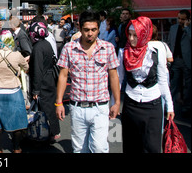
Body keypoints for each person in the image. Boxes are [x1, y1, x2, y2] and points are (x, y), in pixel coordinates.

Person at [55, 10, 121, 153]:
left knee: (99, 148)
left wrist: (117, 102)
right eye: (86, 30)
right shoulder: (69, 48)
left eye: (93, 30)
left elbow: (114, 76)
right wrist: (59, 102)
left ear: (98, 29)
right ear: (79, 28)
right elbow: (63, 76)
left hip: (100, 107)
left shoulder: (107, 48)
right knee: (79, 149)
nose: (90, 33)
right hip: (77, 107)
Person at [118, 16, 174, 153]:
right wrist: (115, 102)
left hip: (153, 104)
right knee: (132, 146)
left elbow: (162, 79)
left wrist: (169, 106)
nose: (131, 39)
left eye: (135, 35)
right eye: (129, 35)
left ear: (144, 35)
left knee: (152, 147)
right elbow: (119, 79)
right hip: (131, 103)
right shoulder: (123, 52)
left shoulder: (157, 49)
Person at [0, 30, 29, 153]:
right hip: (14, 91)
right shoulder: (17, 55)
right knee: (18, 121)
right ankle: (16, 148)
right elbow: (26, 67)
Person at [29, 21, 61, 143]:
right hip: (50, 78)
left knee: (46, 108)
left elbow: (37, 69)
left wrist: (35, 90)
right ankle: (54, 131)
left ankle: (51, 132)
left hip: (43, 81)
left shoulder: (37, 47)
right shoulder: (46, 43)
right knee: (50, 107)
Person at [167, 9, 191, 116]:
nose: (180, 21)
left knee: (188, 85)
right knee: (174, 84)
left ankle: (187, 106)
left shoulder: (189, 29)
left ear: (188, 20)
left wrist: (186, 28)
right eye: (179, 18)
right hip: (175, 60)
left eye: (183, 19)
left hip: (187, 60)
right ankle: (169, 106)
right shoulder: (173, 28)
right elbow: (169, 42)